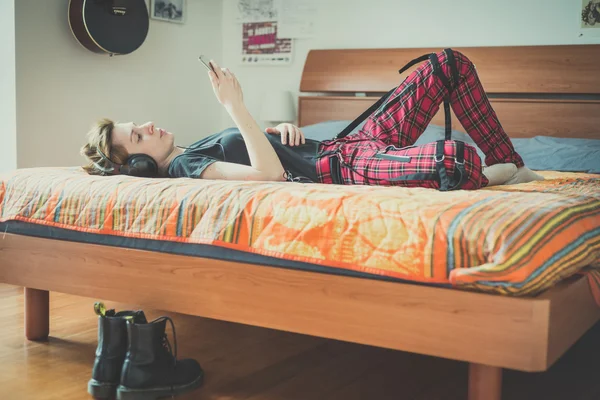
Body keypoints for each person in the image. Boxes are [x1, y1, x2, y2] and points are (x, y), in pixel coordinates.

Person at [81, 50, 543, 188]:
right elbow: (271, 174)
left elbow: (264, 152)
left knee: (447, 64)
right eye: (138, 136)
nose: (148, 125)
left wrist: (276, 129)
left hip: (350, 143)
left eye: (138, 123)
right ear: (137, 164)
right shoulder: (184, 169)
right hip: (341, 170)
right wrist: (234, 107)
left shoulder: (191, 148)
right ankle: (488, 173)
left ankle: (512, 164)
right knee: (457, 158)